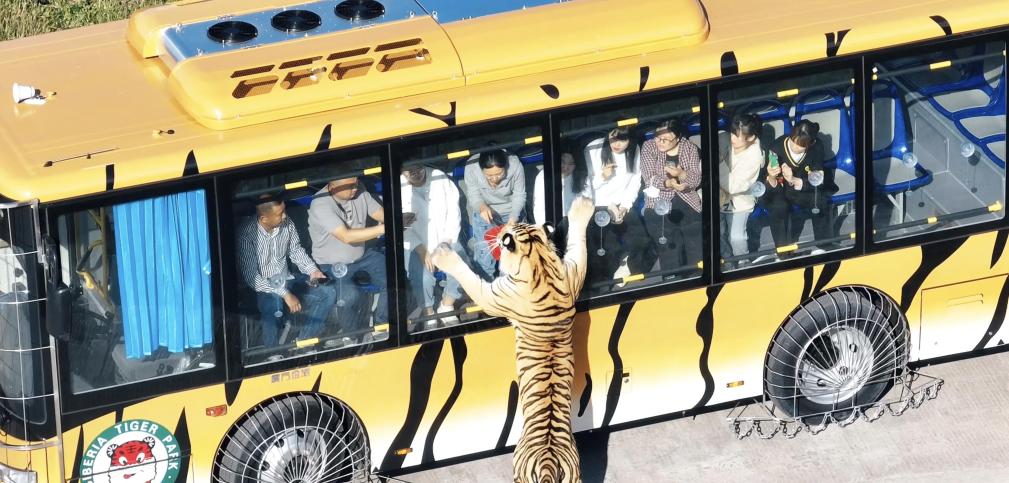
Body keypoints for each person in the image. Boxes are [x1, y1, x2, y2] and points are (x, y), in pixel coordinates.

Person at [237, 195, 335, 347]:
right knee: (273, 304)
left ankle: (305, 342)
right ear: (264, 219)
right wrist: (285, 294)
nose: (285, 216)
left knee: (328, 293)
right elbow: (253, 279)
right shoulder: (247, 235)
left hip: (288, 278)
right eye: (280, 214)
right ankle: (272, 351)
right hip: (264, 287)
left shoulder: (287, 223)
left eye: (284, 211)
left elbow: (295, 251)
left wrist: (312, 271)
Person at [308, 176, 388, 335]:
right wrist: (383, 229)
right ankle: (353, 334)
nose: (355, 188)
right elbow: (346, 236)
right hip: (331, 265)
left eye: (356, 183)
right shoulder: (320, 203)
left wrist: (399, 219)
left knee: (394, 276)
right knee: (348, 297)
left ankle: (383, 325)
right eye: (350, 186)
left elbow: (380, 213)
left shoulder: (359, 189)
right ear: (332, 187)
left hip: (361, 256)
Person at [401, 164, 464, 328]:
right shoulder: (398, 187)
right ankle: (429, 312)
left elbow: (454, 213)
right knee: (422, 277)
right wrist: (421, 249)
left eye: (418, 169)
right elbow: (402, 226)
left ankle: (446, 305)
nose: (415, 174)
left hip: (446, 239)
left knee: (461, 264)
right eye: (410, 172)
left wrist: (445, 242)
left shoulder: (439, 177)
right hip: (416, 244)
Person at [637, 119, 702, 274]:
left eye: (666, 139)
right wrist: (668, 183)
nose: (660, 142)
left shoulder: (689, 148)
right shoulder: (649, 146)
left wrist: (682, 175)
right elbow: (649, 178)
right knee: (667, 242)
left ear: (678, 138)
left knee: (694, 239)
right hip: (659, 199)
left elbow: (696, 179)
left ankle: (696, 275)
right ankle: (671, 277)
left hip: (686, 197)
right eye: (658, 137)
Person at [760, 119, 833, 255]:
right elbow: (768, 188)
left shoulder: (816, 148)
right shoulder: (776, 147)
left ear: (811, 144)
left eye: (800, 145)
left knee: (819, 200)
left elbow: (818, 179)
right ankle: (782, 253)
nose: (794, 147)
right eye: (793, 141)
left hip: (801, 188)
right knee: (778, 207)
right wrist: (771, 176)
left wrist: (794, 179)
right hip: (780, 190)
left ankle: (824, 245)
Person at [584, 125, 643, 284]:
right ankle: (604, 283)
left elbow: (635, 181)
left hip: (622, 204)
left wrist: (624, 206)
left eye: (623, 139)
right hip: (598, 205)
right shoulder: (593, 148)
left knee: (643, 242)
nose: (617, 144)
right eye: (613, 137)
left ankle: (628, 267)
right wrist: (602, 177)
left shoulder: (634, 149)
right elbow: (585, 187)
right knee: (606, 248)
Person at [464, 149, 526, 280]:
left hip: (511, 210)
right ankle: (487, 285)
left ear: (505, 167)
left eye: (499, 174)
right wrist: (481, 207)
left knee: (515, 255)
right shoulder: (471, 167)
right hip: (485, 212)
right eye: (489, 176)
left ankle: (511, 285)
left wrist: (513, 219)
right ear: (481, 170)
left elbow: (519, 195)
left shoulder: (515, 165)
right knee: (484, 256)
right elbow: (473, 195)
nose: (494, 179)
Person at [719, 113, 764, 265]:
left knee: (736, 237)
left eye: (738, 136)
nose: (733, 138)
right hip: (717, 197)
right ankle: (728, 261)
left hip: (740, 200)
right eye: (732, 133)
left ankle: (742, 261)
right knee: (717, 233)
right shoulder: (723, 139)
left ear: (751, 138)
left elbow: (734, 186)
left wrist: (719, 163)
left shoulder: (755, 155)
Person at [533, 143, 591, 223]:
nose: (566, 167)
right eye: (562, 162)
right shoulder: (543, 176)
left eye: (571, 164)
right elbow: (539, 208)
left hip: (577, 222)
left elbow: (587, 203)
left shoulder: (581, 176)